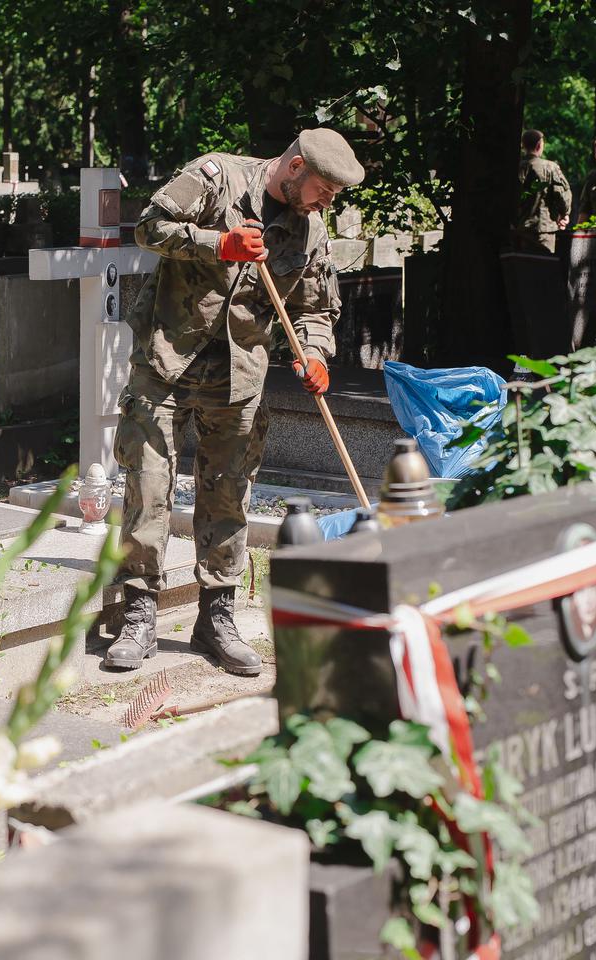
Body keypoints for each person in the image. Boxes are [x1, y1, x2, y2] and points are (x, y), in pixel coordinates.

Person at [105, 129, 363, 676]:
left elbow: (317, 309)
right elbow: (148, 227)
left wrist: (315, 355)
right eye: (323, 189)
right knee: (147, 487)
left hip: (239, 372)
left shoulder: (310, 228)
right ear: (294, 167)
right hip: (166, 360)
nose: (327, 202)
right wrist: (215, 244)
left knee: (229, 495)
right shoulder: (216, 177)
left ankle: (216, 616)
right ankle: (138, 611)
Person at [512, 129, 572, 254]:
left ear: (523, 145)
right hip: (543, 230)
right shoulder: (550, 167)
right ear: (539, 145)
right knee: (543, 265)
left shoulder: (514, 167)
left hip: (518, 230)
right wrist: (564, 213)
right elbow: (561, 194)